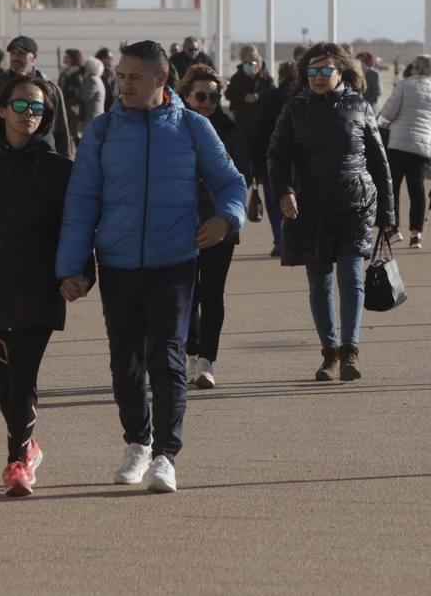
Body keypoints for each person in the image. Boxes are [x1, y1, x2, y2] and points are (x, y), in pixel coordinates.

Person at [56, 40, 245, 494]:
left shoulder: (193, 127)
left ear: (160, 79)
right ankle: (136, 443)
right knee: (126, 362)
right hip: (118, 262)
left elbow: (230, 182)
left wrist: (226, 219)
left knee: (168, 358)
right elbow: (81, 203)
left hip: (174, 262)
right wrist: (72, 267)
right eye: (120, 76)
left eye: (133, 77)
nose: (124, 84)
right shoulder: (101, 132)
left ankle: (165, 455)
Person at [0, 76, 80, 497]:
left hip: (39, 287)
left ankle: (16, 462)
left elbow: (74, 228)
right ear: (2, 110)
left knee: (23, 376)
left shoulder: (60, 169)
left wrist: (77, 272)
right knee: (5, 382)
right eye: (21, 106)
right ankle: (29, 446)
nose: (30, 115)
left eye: (38, 109)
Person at [267, 43, 392, 382]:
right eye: (312, 71)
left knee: (351, 277)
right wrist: (284, 191)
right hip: (309, 207)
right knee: (319, 282)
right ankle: (330, 353)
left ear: (340, 72)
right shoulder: (294, 109)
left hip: (355, 204)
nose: (318, 77)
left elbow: (380, 162)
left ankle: (351, 350)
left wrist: (388, 213)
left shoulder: (359, 105)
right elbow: (276, 157)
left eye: (325, 71)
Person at [179, 65, 250, 389]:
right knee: (186, 293)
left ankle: (207, 360)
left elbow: (240, 175)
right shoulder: (176, 127)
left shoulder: (228, 128)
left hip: (221, 222)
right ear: (187, 96)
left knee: (212, 293)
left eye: (213, 96)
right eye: (201, 96)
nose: (207, 102)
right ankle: (190, 354)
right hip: (181, 222)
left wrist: (230, 215)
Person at [378, 53, 431, 250]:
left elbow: (387, 113)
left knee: (392, 187)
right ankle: (416, 234)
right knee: (417, 189)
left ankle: (392, 228)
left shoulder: (404, 85)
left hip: (398, 144)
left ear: (418, 68)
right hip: (422, 146)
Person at [0, 37, 72, 157]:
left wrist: (64, 160)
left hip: (41, 154)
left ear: (34, 57)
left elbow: (61, 128)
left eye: (21, 53)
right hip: (5, 154)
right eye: (13, 53)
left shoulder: (50, 88)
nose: (16, 57)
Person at [249, 60, 296, 257]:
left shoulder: (270, 96)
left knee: (274, 200)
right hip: (298, 159)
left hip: (272, 157)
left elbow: (258, 131)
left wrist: (254, 163)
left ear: (281, 74)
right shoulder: (303, 97)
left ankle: (280, 240)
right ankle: (294, 239)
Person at [224, 44, 273, 143]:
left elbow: (273, 92)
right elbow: (229, 94)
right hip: (242, 119)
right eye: (246, 61)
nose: (250, 64)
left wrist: (259, 96)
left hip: (261, 119)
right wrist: (243, 97)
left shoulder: (265, 77)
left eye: (253, 60)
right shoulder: (236, 78)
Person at [59, 49, 86, 142]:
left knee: (73, 132)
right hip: (64, 104)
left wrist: (69, 90)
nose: (64, 57)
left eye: (66, 56)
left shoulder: (77, 72)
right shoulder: (65, 72)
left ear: (71, 58)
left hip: (72, 106)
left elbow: (79, 89)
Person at [79, 56, 107, 125]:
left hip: (92, 115)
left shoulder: (92, 80)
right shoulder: (98, 79)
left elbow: (85, 97)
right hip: (97, 113)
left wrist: (78, 92)